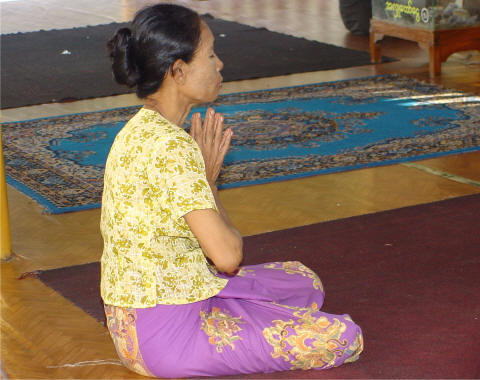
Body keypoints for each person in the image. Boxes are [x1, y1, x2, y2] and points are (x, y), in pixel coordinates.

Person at [100, 3, 363, 378]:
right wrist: (207, 184)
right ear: (178, 70)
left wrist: (205, 183)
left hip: (136, 320)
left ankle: (248, 314)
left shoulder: (138, 129)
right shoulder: (173, 148)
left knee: (303, 281)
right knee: (343, 338)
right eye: (210, 54)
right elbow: (226, 257)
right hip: (169, 339)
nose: (219, 64)